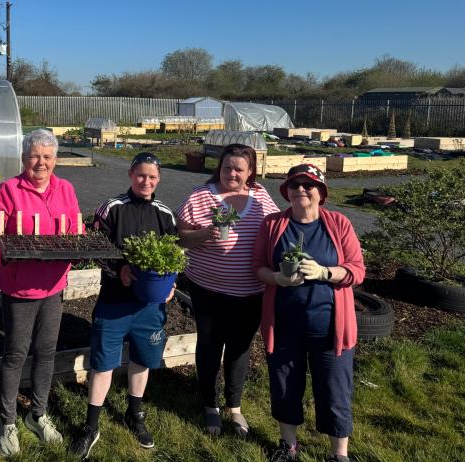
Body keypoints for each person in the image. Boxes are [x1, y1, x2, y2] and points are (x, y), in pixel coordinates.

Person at [68, 152, 177, 460]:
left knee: (142, 360)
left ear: (158, 180)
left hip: (149, 306)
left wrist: (172, 285)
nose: (146, 181)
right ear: (131, 174)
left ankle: (135, 412)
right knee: (103, 364)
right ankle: (91, 426)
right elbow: (95, 245)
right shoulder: (112, 207)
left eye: (153, 177)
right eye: (141, 175)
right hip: (114, 302)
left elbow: (173, 257)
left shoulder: (165, 214)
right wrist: (120, 271)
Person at [253, 164, 365, 462]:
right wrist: (277, 278)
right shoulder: (273, 225)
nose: (301, 189)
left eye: (308, 184)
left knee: (334, 390)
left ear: (321, 192)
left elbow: (356, 270)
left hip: (330, 327)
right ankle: (288, 446)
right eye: (295, 184)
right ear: (286, 191)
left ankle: (338, 454)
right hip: (285, 325)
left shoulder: (338, 223)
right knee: (285, 385)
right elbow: (258, 268)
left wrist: (325, 271)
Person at [0, 129, 81, 457]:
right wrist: (6, 254)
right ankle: (7, 420)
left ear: (55, 160)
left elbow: (73, 232)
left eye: (47, 157)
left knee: (47, 352)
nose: (41, 162)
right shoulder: (9, 190)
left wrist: (77, 250)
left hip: (54, 286)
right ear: (24, 158)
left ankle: (37, 413)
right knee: (15, 354)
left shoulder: (65, 189)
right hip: (20, 287)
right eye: (35, 156)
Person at [176, 143, 279, 437]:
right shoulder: (201, 196)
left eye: (238, 169)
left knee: (239, 347)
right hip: (208, 288)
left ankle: (234, 406)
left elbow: (275, 229)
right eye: (226, 167)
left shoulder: (260, 197)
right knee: (209, 345)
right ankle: (210, 405)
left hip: (251, 292)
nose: (231, 173)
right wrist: (206, 233)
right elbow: (180, 237)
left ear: (250, 173)